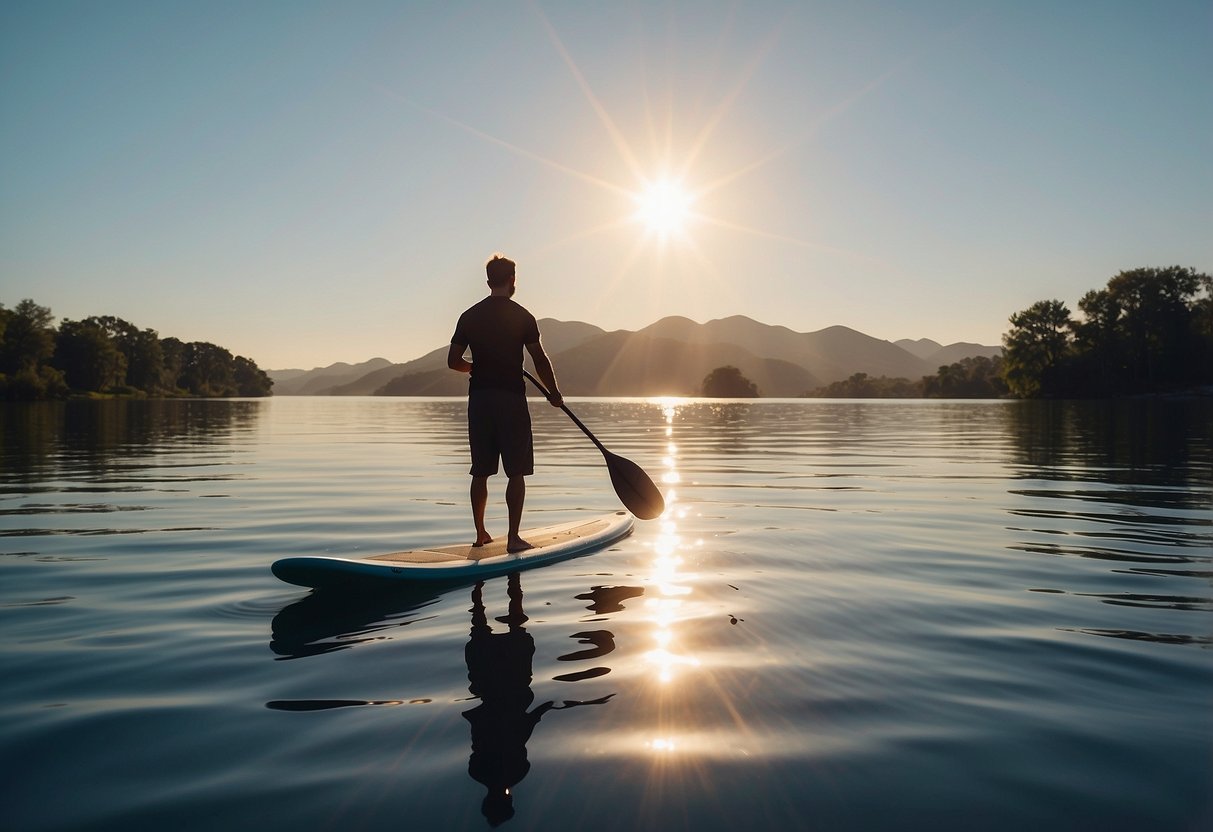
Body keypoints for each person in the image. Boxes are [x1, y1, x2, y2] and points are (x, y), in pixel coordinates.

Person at [448, 254, 563, 553]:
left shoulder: (469, 316)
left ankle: (480, 534)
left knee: (480, 470)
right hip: (511, 400)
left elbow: (453, 362)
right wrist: (554, 392)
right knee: (516, 471)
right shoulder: (523, 316)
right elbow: (539, 358)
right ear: (513, 281)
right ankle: (513, 538)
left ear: (488, 281)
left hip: (480, 401)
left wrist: (474, 366)